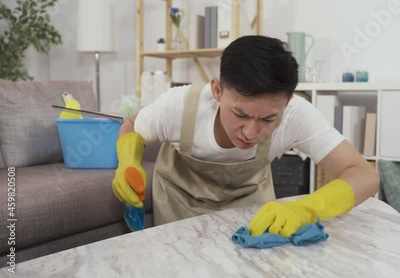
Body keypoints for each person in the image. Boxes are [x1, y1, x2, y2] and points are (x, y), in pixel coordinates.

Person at [112, 35, 379, 238]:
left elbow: (364, 175)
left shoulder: (297, 114)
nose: (251, 133)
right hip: (178, 207)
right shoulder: (179, 105)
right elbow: (132, 124)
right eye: (240, 114)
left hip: (249, 209)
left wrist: (306, 209)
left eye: (268, 119)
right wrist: (128, 162)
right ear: (217, 90)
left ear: (288, 102)